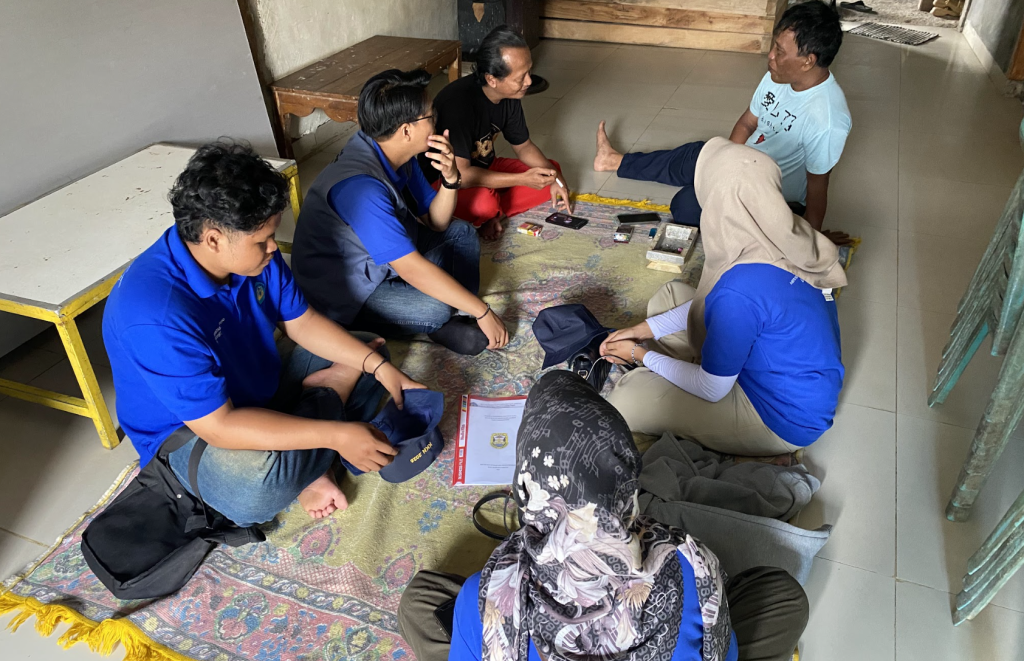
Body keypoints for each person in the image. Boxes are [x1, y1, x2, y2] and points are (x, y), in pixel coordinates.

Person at [103, 142, 425, 527]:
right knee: (256, 490)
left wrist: (375, 366)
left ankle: (312, 446)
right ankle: (327, 414)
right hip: (193, 432)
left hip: (255, 386)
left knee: (371, 351)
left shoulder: (254, 259)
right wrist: (337, 436)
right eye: (262, 241)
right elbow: (220, 427)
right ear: (213, 239)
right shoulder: (155, 313)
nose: (274, 247)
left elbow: (302, 323)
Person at [397, 371, 810, 661]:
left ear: (522, 490)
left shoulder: (487, 595)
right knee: (781, 595)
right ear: (629, 481)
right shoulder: (690, 565)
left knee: (421, 602)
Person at [601, 138, 848, 456]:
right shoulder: (787, 234)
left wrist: (639, 354)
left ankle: (698, 374)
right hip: (788, 369)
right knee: (670, 296)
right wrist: (643, 329)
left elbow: (712, 388)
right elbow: (729, 304)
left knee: (627, 398)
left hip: (780, 416)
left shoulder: (739, 290)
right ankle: (700, 365)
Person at [291, 69, 509, 357]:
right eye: (431, 116)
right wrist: (483, 311)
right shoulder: (362, 189)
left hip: (381, 261)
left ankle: (453, 316)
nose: (437, 122)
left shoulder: (393, 151)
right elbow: (410, 267)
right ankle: (441, 318)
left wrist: (450, 178)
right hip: (347, 290)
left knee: (462, 232)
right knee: (434, 308)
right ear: (406, 131)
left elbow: (437, 222)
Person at [594, 0, 850, 238]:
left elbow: (817, 187)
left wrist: (812, 239)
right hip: (742, 165)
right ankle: (614, 160)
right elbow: (747, 123)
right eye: (774, 46)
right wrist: (725, 163)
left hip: (766, 193)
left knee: (685, 206)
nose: (771, 56)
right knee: (693, 155)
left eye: (780, 51)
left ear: (808, 61)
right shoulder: (777, 76)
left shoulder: (827, 119)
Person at [432, 25, 571, 241]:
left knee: (550, 172)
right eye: (520, 77)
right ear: (492, 79)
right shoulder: (457, 105)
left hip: (486, 166)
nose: (528, 82)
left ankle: (492, 215)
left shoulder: (510, 95)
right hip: (447, 182)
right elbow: (462, 176)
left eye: (529, 72)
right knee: (484, 203)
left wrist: (556, 179)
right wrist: (522, 179)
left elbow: (524, 146)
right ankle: (490, 212)